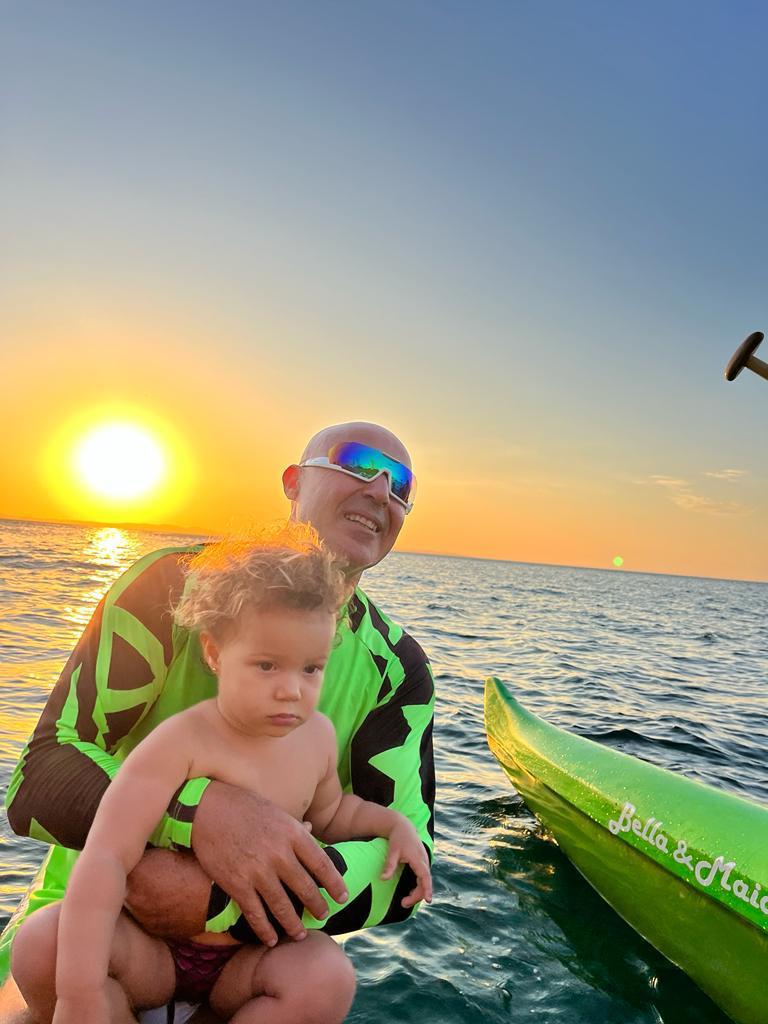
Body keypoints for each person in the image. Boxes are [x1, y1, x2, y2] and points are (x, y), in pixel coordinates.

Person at [0, 422, 435, 1024]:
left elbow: (405, 871)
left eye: (402, 484)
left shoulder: (398, 671)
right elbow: (37, 779)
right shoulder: (173, 586)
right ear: (293, 481)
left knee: (323, 980)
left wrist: (214, 902)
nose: (380, 488)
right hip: (101, 933)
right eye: (357, 462)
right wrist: (197, 814)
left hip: (256, 961)